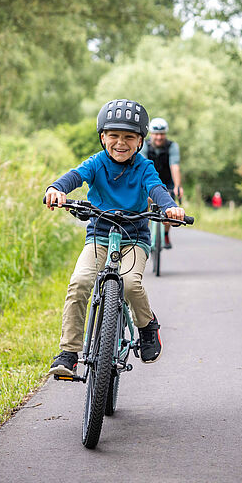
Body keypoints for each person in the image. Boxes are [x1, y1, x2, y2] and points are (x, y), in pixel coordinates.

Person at [44, 99, 186, 377]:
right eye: (114, 136)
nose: (121, 143)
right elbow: (75, 176)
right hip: (99, 234)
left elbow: (156, 189)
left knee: (131, 283)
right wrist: (56, 188)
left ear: (140, 141)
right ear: (102, 138)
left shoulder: (144, 167)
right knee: (79, 283)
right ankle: (68, 353)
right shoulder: (97, 163)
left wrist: (169, 207)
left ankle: (147, 327)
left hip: (134, 237)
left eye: (129, 137)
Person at [139, 117, 183, 248]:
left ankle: (165, 234)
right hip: (148, 180)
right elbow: (142, 167)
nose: (159, 137)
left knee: (169, 204)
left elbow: (175, 166)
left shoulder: (172, 146)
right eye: (156, 134)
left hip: (167, 181)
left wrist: (177, 186)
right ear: (151, 134)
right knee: (144, 202)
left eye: (162, 134)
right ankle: (144, 233)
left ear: (165, 134)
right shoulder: (144, 146)